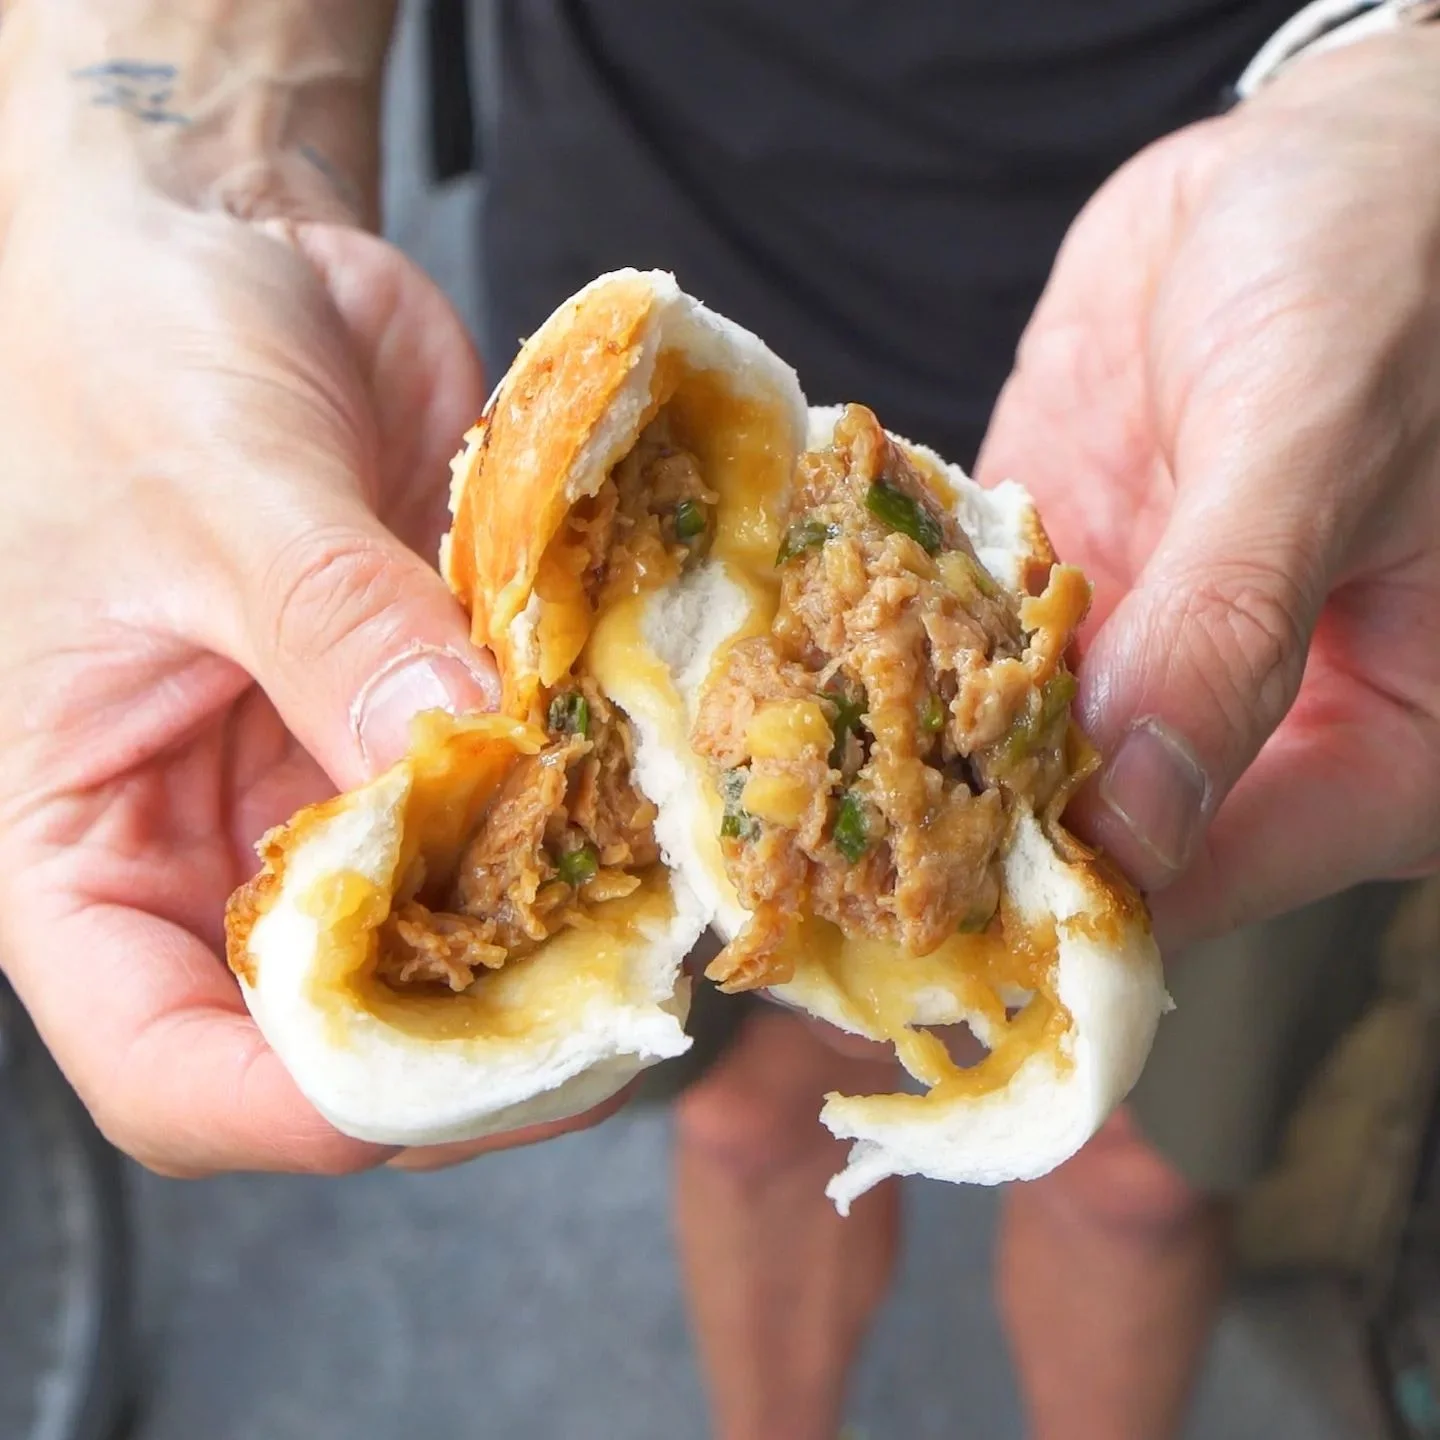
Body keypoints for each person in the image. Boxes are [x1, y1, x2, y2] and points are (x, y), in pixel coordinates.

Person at [0, 2, 1435, 1437]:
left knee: (1140, 1182)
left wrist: (1400, 84)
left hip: (1296, 382)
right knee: (742, 1119)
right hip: (601, 409)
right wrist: (168, 196)